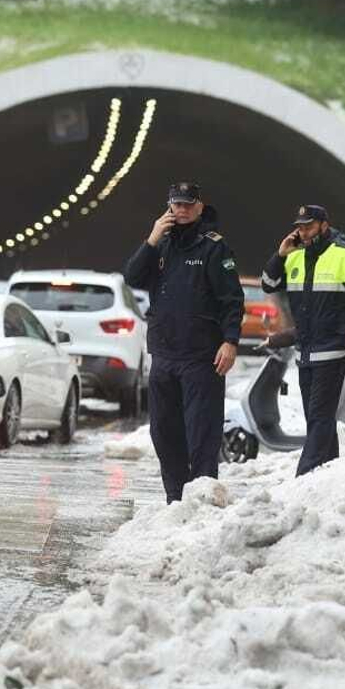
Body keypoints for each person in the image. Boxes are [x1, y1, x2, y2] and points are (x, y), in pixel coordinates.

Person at [123, 181, 244, 503]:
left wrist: (230, 341)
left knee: (202, 433)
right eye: (176, 204)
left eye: (188, 204)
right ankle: (174, 500)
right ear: (168, 207)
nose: (182, 210)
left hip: (201, 356)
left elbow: (232, 300)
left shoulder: (214, 247)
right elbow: (132, 277)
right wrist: (151, 239)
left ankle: (202, 499)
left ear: (200, 207)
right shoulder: (160, 245)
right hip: (164, 353)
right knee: (164, 433)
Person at [260, 204, 345, 476]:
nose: (303, 232)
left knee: (319, 418)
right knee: (319, 420)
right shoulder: (294, 255)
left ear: (324, 225)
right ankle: (329, 472)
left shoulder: (343, 254)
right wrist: (280, 255)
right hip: (304, 353)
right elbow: (268, 284)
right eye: (300, 226)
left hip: (332, 352)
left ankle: (304, 477)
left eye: (309, 226)